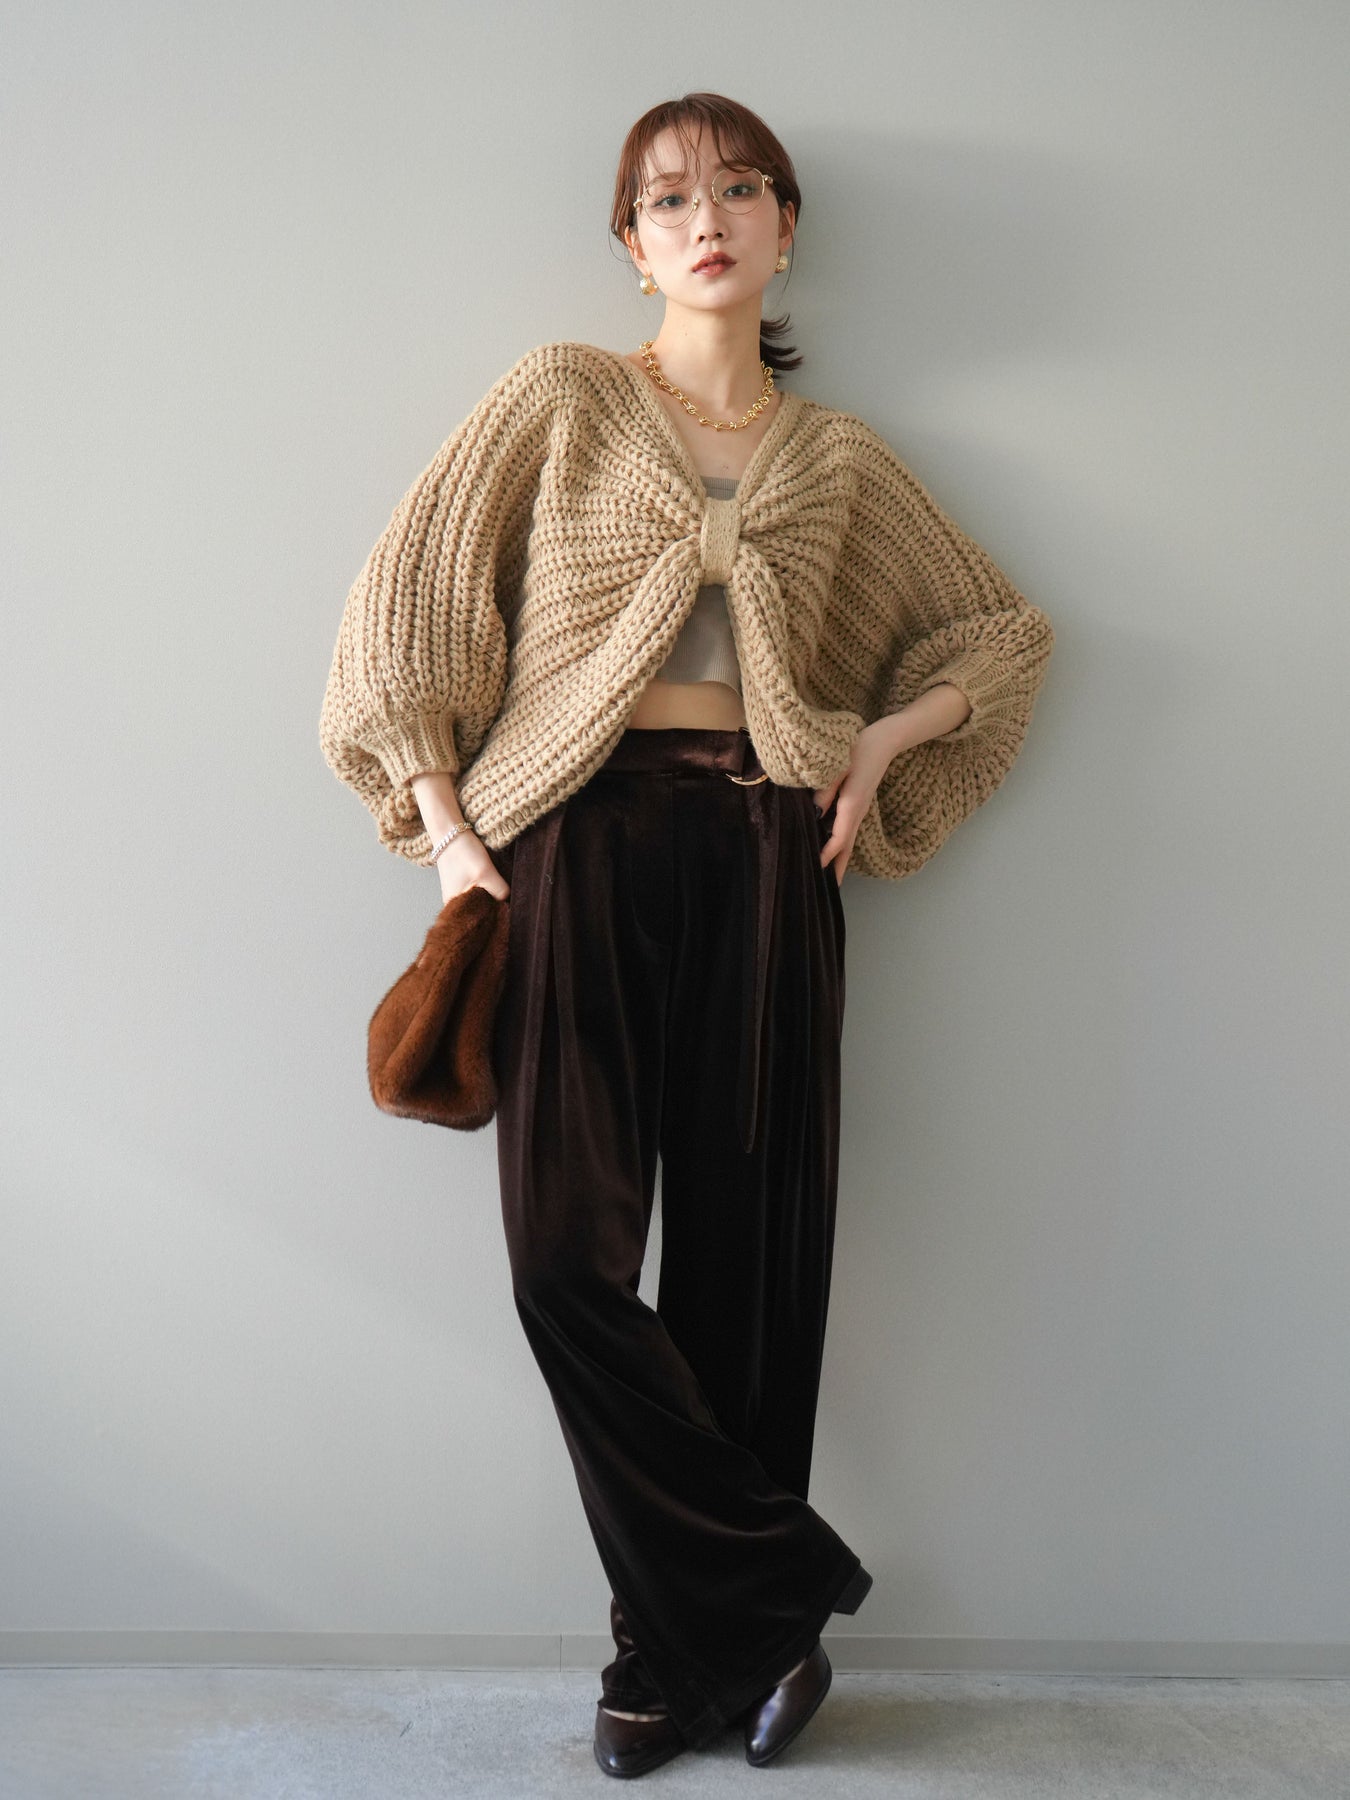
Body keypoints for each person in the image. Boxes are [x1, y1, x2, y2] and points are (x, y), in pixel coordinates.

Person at [319, 91, 1055, 1779]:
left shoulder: (842, 463)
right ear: (630, 247)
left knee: (752, 1264)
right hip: (573, 847)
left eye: (737, 189)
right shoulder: (562, 398)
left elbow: (999, 637)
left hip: (770, 852)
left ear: (785, 228)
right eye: (665, 199)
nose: (703, 216)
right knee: (564, 1267)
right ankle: (776, 1601)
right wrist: (451, 840)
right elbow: (402, 612)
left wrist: (880, 743)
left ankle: (663, 1660)